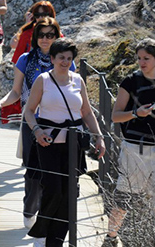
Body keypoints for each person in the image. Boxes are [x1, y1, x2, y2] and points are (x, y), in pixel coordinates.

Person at [0, 18, 74, 230]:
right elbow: (16, 91)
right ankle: (30, 209)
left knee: (54, 171)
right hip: (32, 120)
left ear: (57, 36)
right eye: (41, 34)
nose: (45, 39)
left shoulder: (65, 60)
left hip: (59, 122)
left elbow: (73, 90)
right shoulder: (25, 59)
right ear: (35, 37)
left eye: (50, 35)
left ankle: (47, 215)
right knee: (34, 170)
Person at [23, 38, 105, 247]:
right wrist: (37, 131)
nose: (65, 62)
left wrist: (99, 137)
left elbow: (86, 112)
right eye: (61, 58)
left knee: (69, 193)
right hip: (48, 143)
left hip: (73, 144)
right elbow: (29, 111)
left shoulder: (78, 81)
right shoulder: (43, 80)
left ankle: (56, 241)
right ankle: (42, 232)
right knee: (53, 189)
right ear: (52, 58)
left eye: (69, 58)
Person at [104, 38, 155, 247]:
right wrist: (137, 113)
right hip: (134, 148)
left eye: (146, 58)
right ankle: (110, 238)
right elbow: (116, 116)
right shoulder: (130, 81)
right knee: (124, 198)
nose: (141, 62)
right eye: (139, 58)